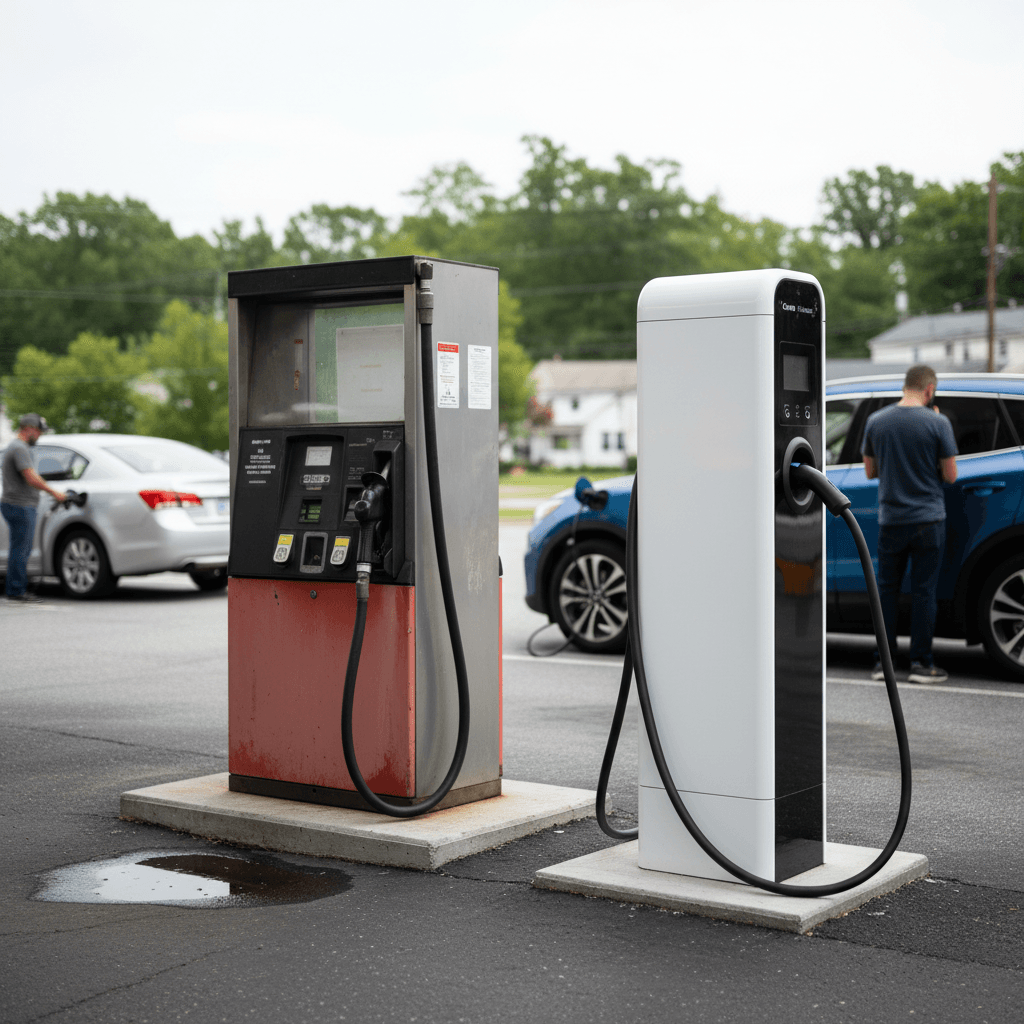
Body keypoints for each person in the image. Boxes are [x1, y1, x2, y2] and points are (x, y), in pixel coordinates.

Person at [862, 365, 958, 683]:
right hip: (928, 520)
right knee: (923, 592)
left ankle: (883, 665)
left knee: (886, 592)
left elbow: (870, 472)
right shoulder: (938, 422)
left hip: (891, 520)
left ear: (905, 386)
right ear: (929, 389)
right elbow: (951, 475)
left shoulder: (876, 421)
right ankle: (921, 664)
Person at [2, 413, 66, 603]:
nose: (39, 436)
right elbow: (31, 477)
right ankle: (16, 590)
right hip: (20, 505)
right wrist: (54, 492)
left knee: (19, 547)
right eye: (38, 431)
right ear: (28, 428)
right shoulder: (19, 448)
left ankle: (15, 588)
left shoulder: (14, 447)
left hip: (15, 504)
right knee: (21, 549)